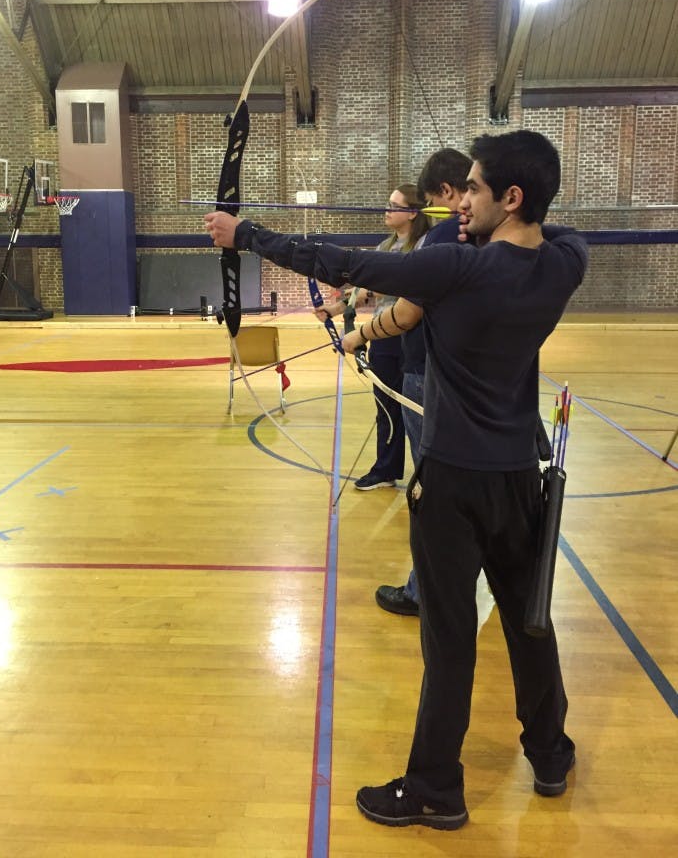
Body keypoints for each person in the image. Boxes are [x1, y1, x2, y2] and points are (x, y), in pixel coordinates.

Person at [205, 129, 587, 831]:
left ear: (510, 197)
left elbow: (340, 261)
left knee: (449, 639)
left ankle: (435, 787)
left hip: (452, 483)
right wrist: (500, 222)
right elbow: (553, 231)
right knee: (527, 623)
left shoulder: (455, 268)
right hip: (517, 482)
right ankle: (551, 753)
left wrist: (244, 234)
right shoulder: (565, 263)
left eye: (474, 190)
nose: (460, 203)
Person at [374, 148, 471, 616]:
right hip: (463, 372)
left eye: (431, 201)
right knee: (466, 481)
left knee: (429, 485)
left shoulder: (440, 239)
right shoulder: (488, 236)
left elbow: (407, 312)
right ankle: (488, 582)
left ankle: (422, 591)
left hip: (425, 372)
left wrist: (359, 335)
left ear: (445, 193)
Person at [314, 183, 430, 490]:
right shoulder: (384, 248)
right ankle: (386, 470)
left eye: (394, 206)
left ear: (413, 213)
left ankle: (428, 477)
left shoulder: (425, 245)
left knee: (417, 410)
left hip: (412, 335)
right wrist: (336, 309)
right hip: (383, 334)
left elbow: (398, 286)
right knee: (386, 407)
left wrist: (379, 286)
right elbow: (366, 289)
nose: (387, 210)